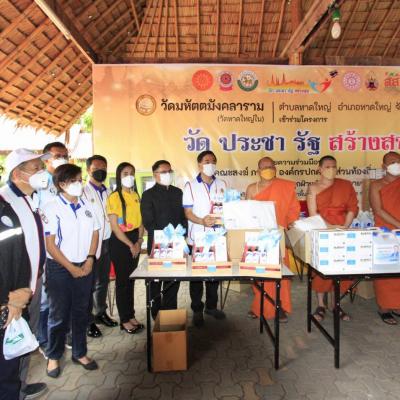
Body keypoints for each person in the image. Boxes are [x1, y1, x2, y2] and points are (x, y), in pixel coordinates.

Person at [0, 149, 49, 399]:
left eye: (42, 167)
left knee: (24, 337)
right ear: (17, 174)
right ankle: (11, 390)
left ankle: (20, 385)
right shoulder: (5, 202)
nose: (42, 172)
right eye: (35, 168)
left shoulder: (31, 198)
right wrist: (9, 297)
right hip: (13, 293)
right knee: (9, 343)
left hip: (33, 283)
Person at [43, 164, 99, 377]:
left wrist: (90, 259)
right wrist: (71, 268)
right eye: (74, 180)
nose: (79, 183)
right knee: (59, 314)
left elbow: (95, 232)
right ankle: (53, 356)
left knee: (81, 312)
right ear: (62, 184)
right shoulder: (51, 207)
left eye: (79, 179)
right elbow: (50, 245)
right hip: (60, 267)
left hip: (85, 264)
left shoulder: (87, 205)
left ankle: (79, 353)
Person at [245, 157, 300, 323]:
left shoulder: (285, 187)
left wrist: (290, 225)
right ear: (258, 171)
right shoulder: (252, 189)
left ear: (275, 169)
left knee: (279, 273)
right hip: (258, 237)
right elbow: (247, 213)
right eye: (264, 167)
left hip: (278, 236)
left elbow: (293, 210)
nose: (268, 169)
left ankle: (279, 306)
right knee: (259, 273)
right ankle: (260, 305)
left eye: (271, 166)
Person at [307, 155, 358, 322]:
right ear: (320, 169)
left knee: (341, 268)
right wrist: (330, 228)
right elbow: (313, 214)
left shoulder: (346, 185)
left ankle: (336, 304)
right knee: (321, 270)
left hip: (343, 230)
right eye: (328, 166)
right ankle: (321, 305)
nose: (331, 169)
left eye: (334, 166)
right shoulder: (313, 188)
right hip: (322, 231)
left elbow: (352, 208)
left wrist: (344, 227)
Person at [182, 150, 226, 327]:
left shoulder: (222, 184)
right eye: (207, 161)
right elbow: (187, 212)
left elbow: (226, 208)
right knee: (197, 277)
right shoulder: (190, 186)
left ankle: (211, 307)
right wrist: (202, 221)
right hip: (197, 237)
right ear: (199, 164)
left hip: (217, 237)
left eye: (213, 161)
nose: (210, 164)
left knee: (214, 275)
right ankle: (197, 309)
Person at [141, 160, 187, 319]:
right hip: (157, 244)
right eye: (163, 172)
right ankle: (155, 312)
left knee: (173, 280)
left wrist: (181, 233)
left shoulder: (178, 192)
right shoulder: (148, 195)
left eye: (169, 171)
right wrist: (164, 237)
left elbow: (183, 217)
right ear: (155, 175)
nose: (168, 174)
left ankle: (170, 312)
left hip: (177, 243)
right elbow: (148, 221)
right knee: (155, 281)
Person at [37, 142, 69, 355]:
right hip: (46, 249)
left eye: (65, 155)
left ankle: (59, 335)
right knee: (45, 300)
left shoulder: (64, 181)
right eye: (58, 155)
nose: (62, 159)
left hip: (65, 248)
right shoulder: (39, 183)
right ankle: (44, 340)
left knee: (60, 297)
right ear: (46, 158)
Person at [106, 162, 144, 334]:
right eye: (125, 173)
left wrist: (139, 241)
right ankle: (124, 320)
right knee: (122, 282)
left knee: (131, 280)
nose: (129, 176)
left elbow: (141, 222)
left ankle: (131, 315)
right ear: (119, 176)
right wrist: (130, 245)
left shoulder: (136, 195)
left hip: (135, 238)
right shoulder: (114, 197)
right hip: (121, 242)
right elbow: (115, 226)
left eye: (132, 173)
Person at [0, 193, 32, 400]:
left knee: (8, 377)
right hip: (5, 303)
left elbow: (21, 255)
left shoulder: (5, 209)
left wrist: (20, 294)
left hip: (9, 310)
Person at [83, 155, 117, 338]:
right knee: (88, 283)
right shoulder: (83, 192)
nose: (100, 171)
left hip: (108, 241)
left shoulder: (108, 191)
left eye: (103, 168)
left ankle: (100, 312)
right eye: (96, 168)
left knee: (102, 280)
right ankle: (88, 321)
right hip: (90, 244)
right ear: (88, 170)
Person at [369, 151, 400, 325]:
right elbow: (378, 210)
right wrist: (398, 225)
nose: (397, 164)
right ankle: (384, 308)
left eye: (399, 162)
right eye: (392, 162)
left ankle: (398, 305)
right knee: (386, 271)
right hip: (385, 233)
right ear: (384, 166)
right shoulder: (376, 185)